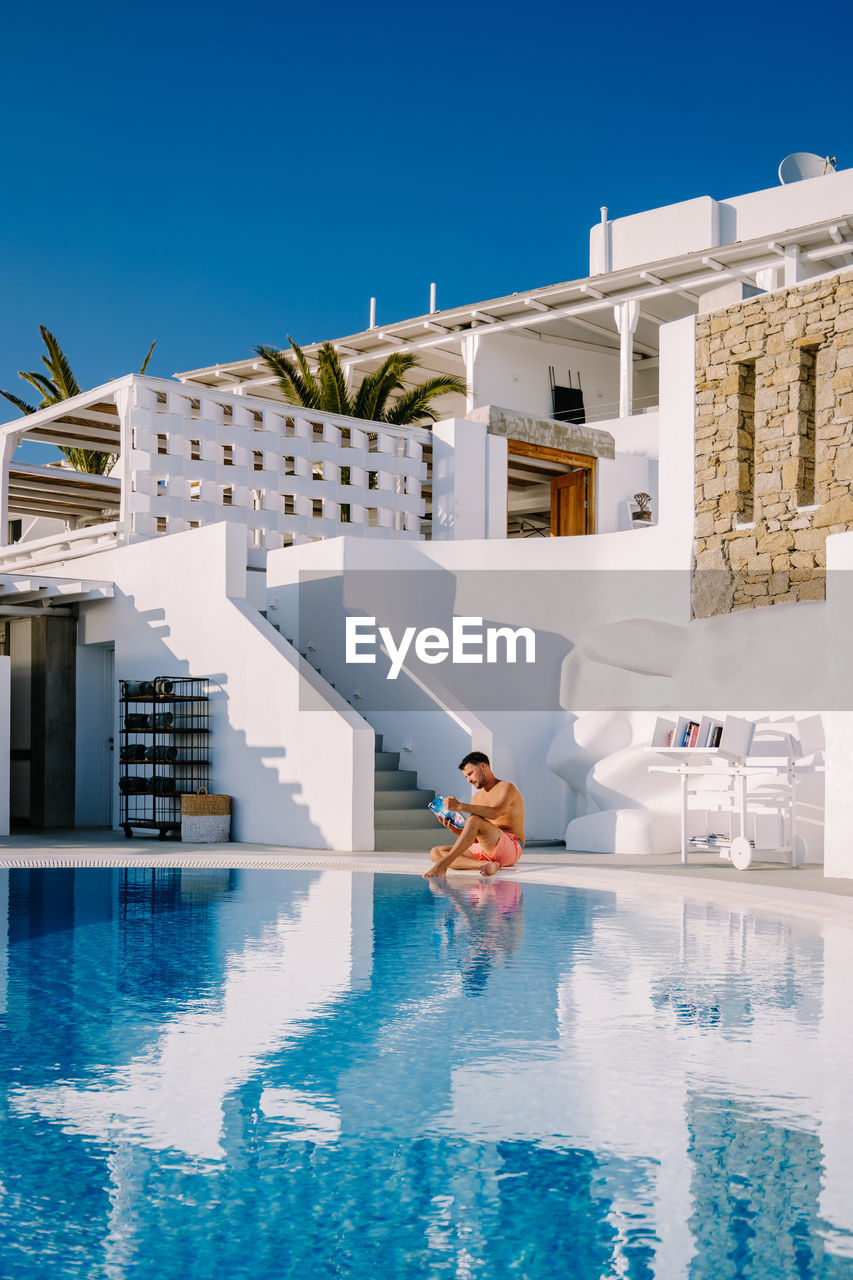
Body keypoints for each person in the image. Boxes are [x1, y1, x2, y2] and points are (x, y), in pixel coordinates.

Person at [423, 751, 525, 879]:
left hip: (510, 847)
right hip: (486, 849)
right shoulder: (476, 798)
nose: (469, 780)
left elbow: (495, 813)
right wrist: (456, 830)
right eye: (466, 777)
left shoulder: (507, 787)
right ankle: (487, 864)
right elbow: (477, 837)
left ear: (483, 766)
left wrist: (460, 806)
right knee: (436, 852)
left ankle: (443, 865)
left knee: (473, 819)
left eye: (470, 774)